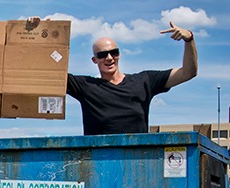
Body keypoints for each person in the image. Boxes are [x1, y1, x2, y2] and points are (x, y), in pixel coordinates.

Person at [29, 18, 197, 135]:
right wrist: (41, 34)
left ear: (119, 55)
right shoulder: (85, 86)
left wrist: (189, 39)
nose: (109, 58)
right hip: (99, 165)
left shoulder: (144, 81)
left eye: (113, 52)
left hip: (138, 162)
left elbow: (188, 72)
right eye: (102, 54)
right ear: (94, 60)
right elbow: (47, 73)